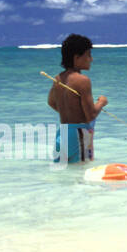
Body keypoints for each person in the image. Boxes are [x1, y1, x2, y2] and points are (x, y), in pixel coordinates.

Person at [48, 34, 107, 164]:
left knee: (63, 175)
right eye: (88, 55)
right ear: (76, 57)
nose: (91, 59)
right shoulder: (82, 80)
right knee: (81, 176)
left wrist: (69, 111)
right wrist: (101, 102)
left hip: (62, 134)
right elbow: (90, 115)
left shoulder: (58, 78)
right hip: (79, 135)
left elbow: (51, 102)